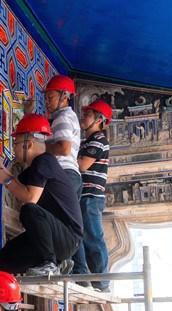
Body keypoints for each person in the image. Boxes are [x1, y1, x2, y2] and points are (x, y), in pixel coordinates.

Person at [0, 114, 83, 276]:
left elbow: (30, 197)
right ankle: (56, 261)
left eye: (16, 144)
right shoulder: (35, 168)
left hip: (67, 238)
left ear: (29, 144)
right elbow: (13, 182)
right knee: (2, 261)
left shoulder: (44, 161)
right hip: (51, 237)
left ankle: (50, 264)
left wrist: (7, 181)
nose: (14, 149)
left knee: (29, 210)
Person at [72, 99, 113, 291]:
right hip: (82, 195)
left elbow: (81, 165)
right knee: (79, 236)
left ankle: (102, 283)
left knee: (93, 237)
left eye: (88, 114)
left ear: (99, 120)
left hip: (91, 197)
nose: (83, 117)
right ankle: (83, 276)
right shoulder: (86, 142)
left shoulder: (98, 140)